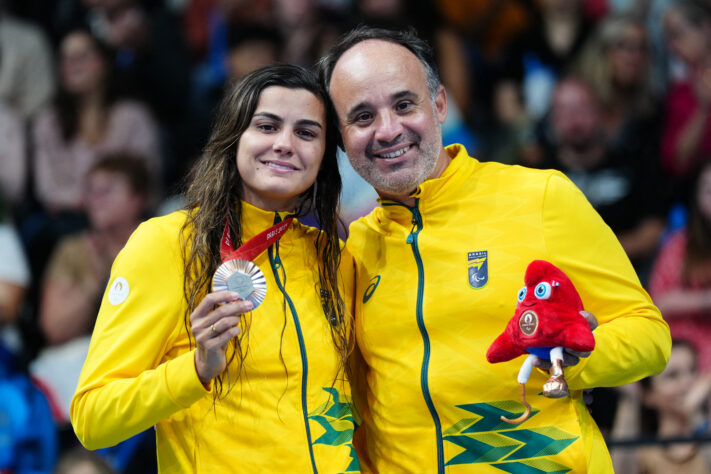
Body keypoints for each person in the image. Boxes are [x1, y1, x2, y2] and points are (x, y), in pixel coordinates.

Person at [318, 25, 670, 473]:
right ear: (342, 137)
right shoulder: (355, 249)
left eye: (404, 104)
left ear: (440, 104)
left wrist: (575, 356)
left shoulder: (540, 196)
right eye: (362, 117)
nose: (388, 130)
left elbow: (650, 337)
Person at [70, 64, 359, 472]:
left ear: (324, 156)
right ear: (234, 137)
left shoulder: (335, 258)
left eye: (307, 133)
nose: (285, 144)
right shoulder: (167, 245)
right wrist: (196, 370)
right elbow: (92, 419)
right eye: (267, 126)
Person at [650, 161, 711, 372]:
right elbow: (658, 302)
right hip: (683, 342)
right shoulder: (679, 244)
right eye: (709, 191)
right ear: (698, 199)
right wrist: (705, 300)